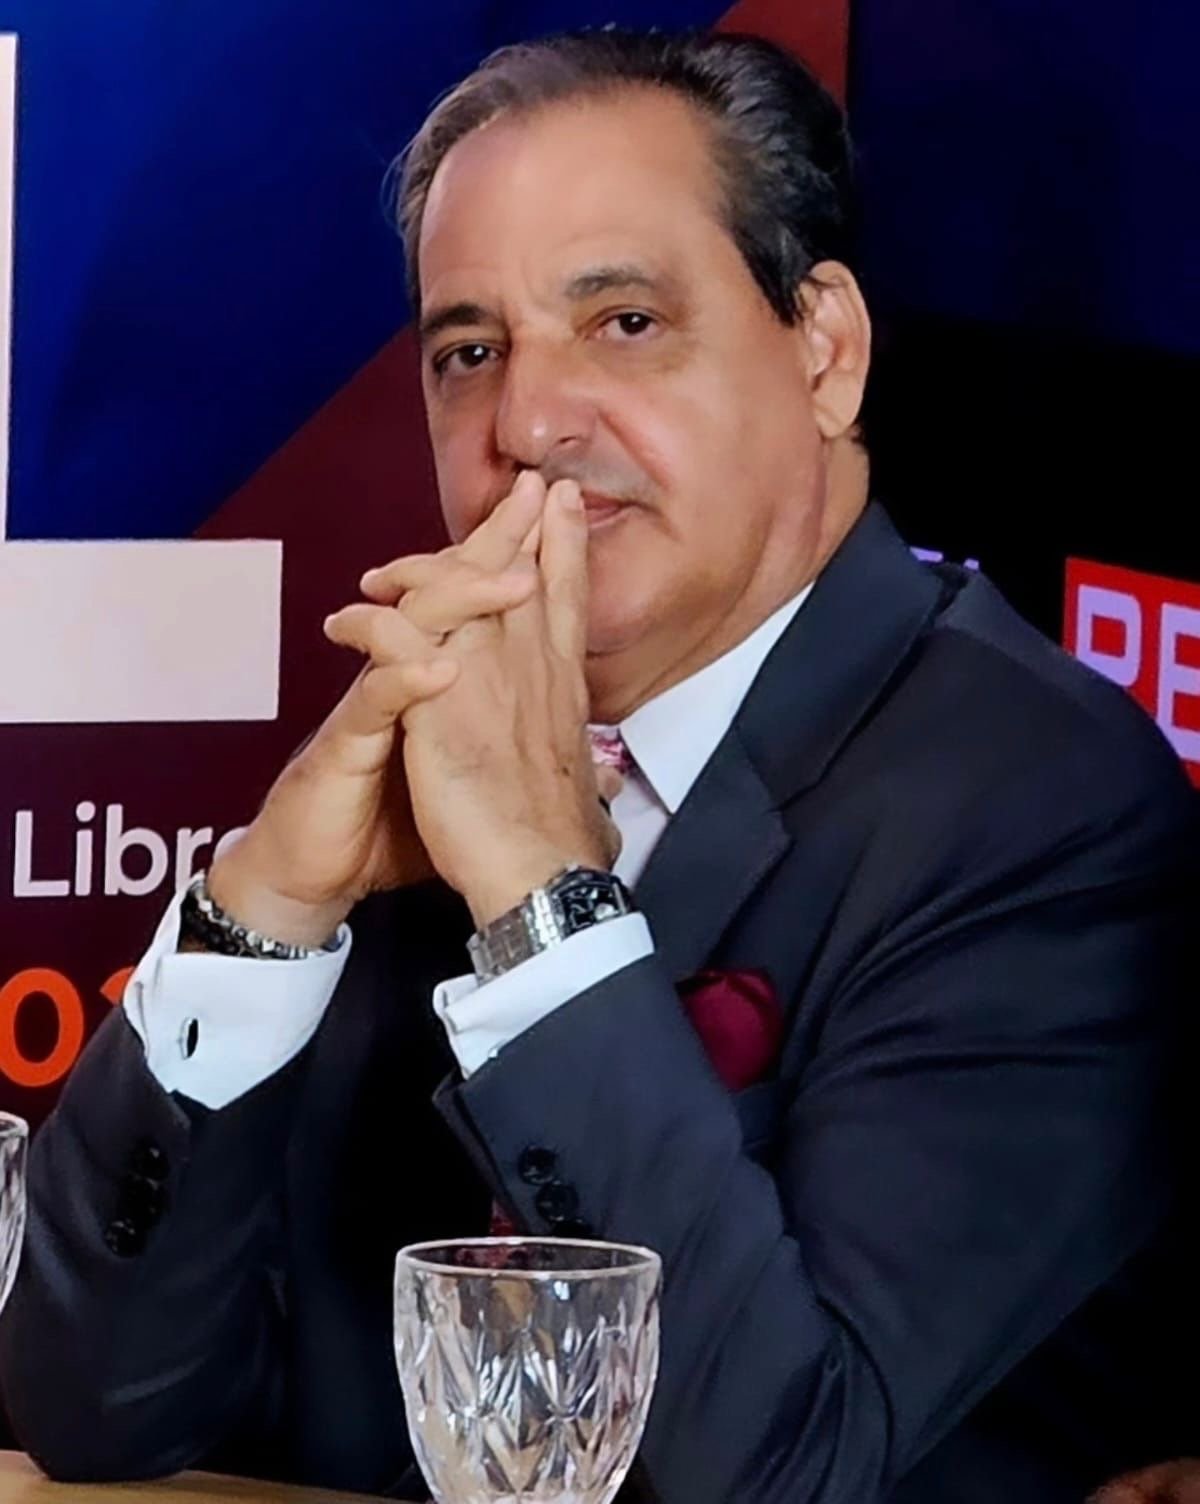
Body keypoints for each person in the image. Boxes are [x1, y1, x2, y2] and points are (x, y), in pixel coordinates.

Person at [1, 28, 1196, 1504]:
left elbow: (782, 1472)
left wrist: (539, 904)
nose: (525, 424)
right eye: (469, 351)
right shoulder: (427, 750)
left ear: (825, 351)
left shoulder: (1046, 810)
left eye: (623, 322)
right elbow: (94, 1416)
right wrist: (262, 914)